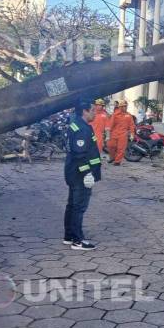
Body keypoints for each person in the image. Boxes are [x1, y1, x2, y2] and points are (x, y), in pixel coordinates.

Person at [64, 100, 102, 250]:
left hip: (73, 172)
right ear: (84, 111)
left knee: (72, 205)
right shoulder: (81, 129)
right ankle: (77, 241)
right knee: (79, 207)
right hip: (80, 174)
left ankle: (69, 236)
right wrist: (87, 173)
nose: (95, 112)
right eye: (92, 110)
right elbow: (80, 155)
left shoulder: (79, 125)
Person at [106, 99, 135, 166]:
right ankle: (113, 157)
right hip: (114, 133)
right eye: (123, 106)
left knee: (121, 148)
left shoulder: (129, 115)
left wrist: (132, 134)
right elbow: (110, 124)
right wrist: (108, 134)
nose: (125, 107)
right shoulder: (115, 115)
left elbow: (131, 125)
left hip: (123, 134)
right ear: (120, 107)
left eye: (125, 106)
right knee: (111, 146)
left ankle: (117, 161)